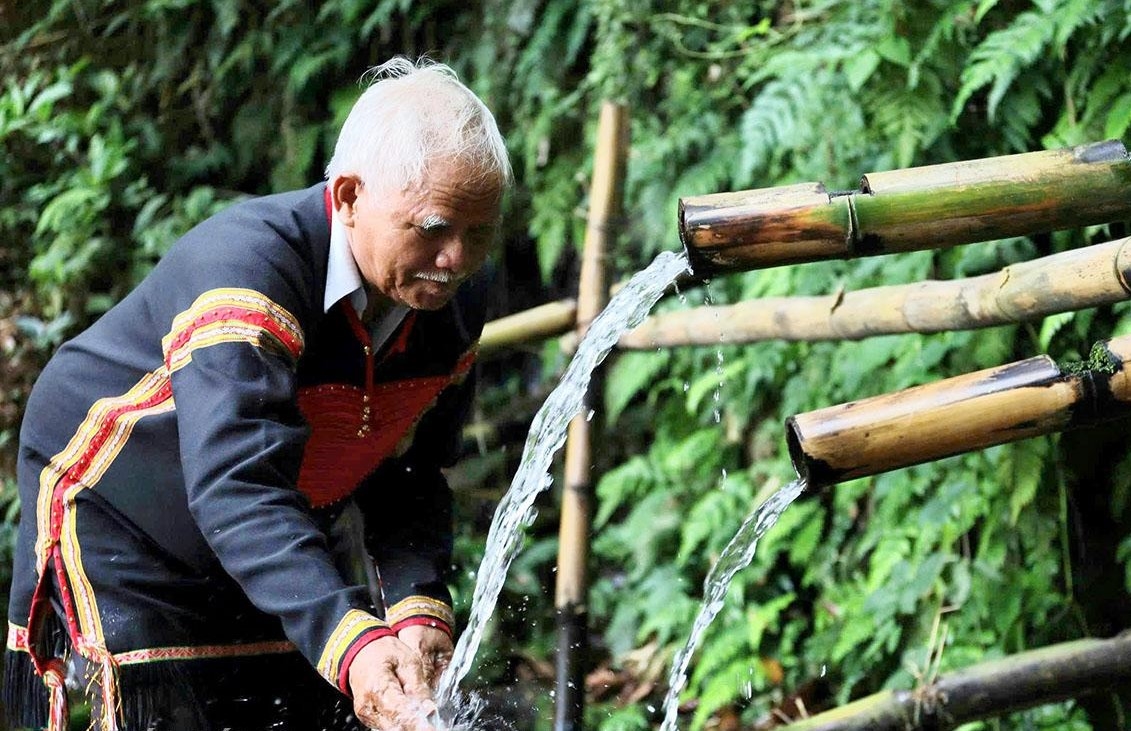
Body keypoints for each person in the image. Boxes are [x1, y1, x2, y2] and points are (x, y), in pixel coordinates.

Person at [3, 56, 511, 731]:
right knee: (176, 703)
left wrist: (418, 603)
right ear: (350, 196)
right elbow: (234, 481)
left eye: (479, 232)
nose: (456, 259)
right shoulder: (246, 272)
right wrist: (352, 636)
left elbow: (411, 469)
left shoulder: (455, 297)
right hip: (121, 499)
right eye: (433, 228)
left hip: (277, 511)